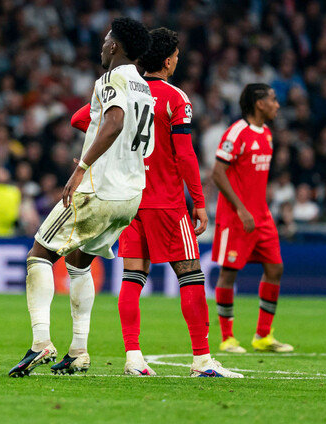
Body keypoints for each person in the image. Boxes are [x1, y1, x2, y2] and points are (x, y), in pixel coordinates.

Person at [71, 28, 243, 378]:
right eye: (176, 58)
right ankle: (202, 360)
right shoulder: (175, 98)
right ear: (167, 61)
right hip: (166, 202)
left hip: (129, 199)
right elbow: (185, 154)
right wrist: (198, 201)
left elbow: (79, 119)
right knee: (191, 275)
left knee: (133, 277)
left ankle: (134, 358)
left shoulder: (128, 88)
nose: (177, 62)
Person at [8, 17, 153, 377]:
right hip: (130, 195)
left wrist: (80, 169)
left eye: (106, 40)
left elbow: (114, 121)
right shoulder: (145, 87)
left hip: (99, 188)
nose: (102, 46)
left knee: (39, 254)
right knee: (78, 262)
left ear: (115, 46)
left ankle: (41, 342)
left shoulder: (112, 78)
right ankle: (78, 351)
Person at [212, 83, 294, 353]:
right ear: (259, 103)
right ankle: (227, 338)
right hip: (237, 217)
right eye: (273, 99)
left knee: (275, 268)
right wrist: (241, 208)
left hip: (262, 216)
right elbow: (218, 173)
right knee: (228, 273)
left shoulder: (267, 134)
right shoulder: (236, 133)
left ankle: (263, 335)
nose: (277, 105)